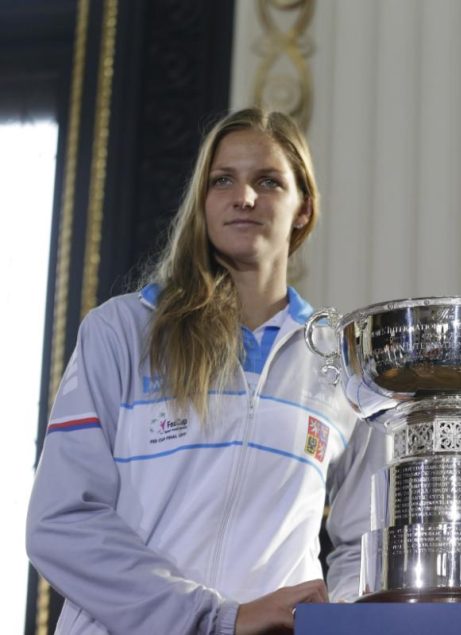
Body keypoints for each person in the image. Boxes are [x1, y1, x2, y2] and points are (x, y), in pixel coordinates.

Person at [26, 108, 387, 634]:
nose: (245, 197)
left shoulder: (344, 361)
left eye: (268, 181)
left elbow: (367, 546)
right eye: (224, 180)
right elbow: (60, 523)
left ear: (304, 208)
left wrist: (331, 622)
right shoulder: (122, 331)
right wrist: (215, 619)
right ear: (203, 200)